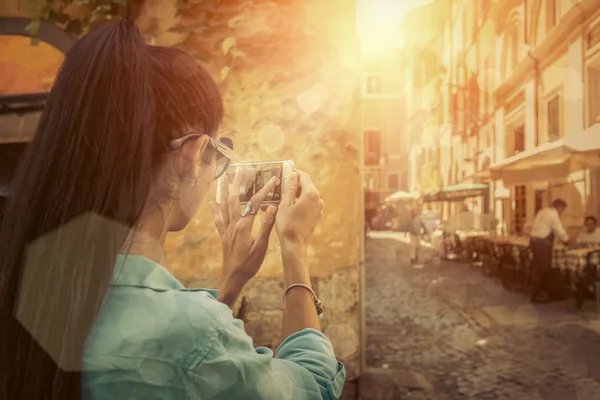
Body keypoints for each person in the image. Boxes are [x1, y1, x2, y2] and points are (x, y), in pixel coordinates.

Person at [0, 19, 345, 400]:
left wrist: (229, 284)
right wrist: (294, 248)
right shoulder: (192, 336)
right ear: (194, 154)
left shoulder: (30, 287)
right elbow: (313, 385)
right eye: (218, 153)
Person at [529, 198, 571, 303]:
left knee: (539, 268)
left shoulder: (542, 211)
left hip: (534, 241)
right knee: (543, 269)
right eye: (563, 210)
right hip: (542, 243)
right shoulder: (553, 214)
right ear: (560, 207)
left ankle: (543, 293)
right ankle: (537, 295)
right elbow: (559, 230)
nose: (562, 212)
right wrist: (567, 240)